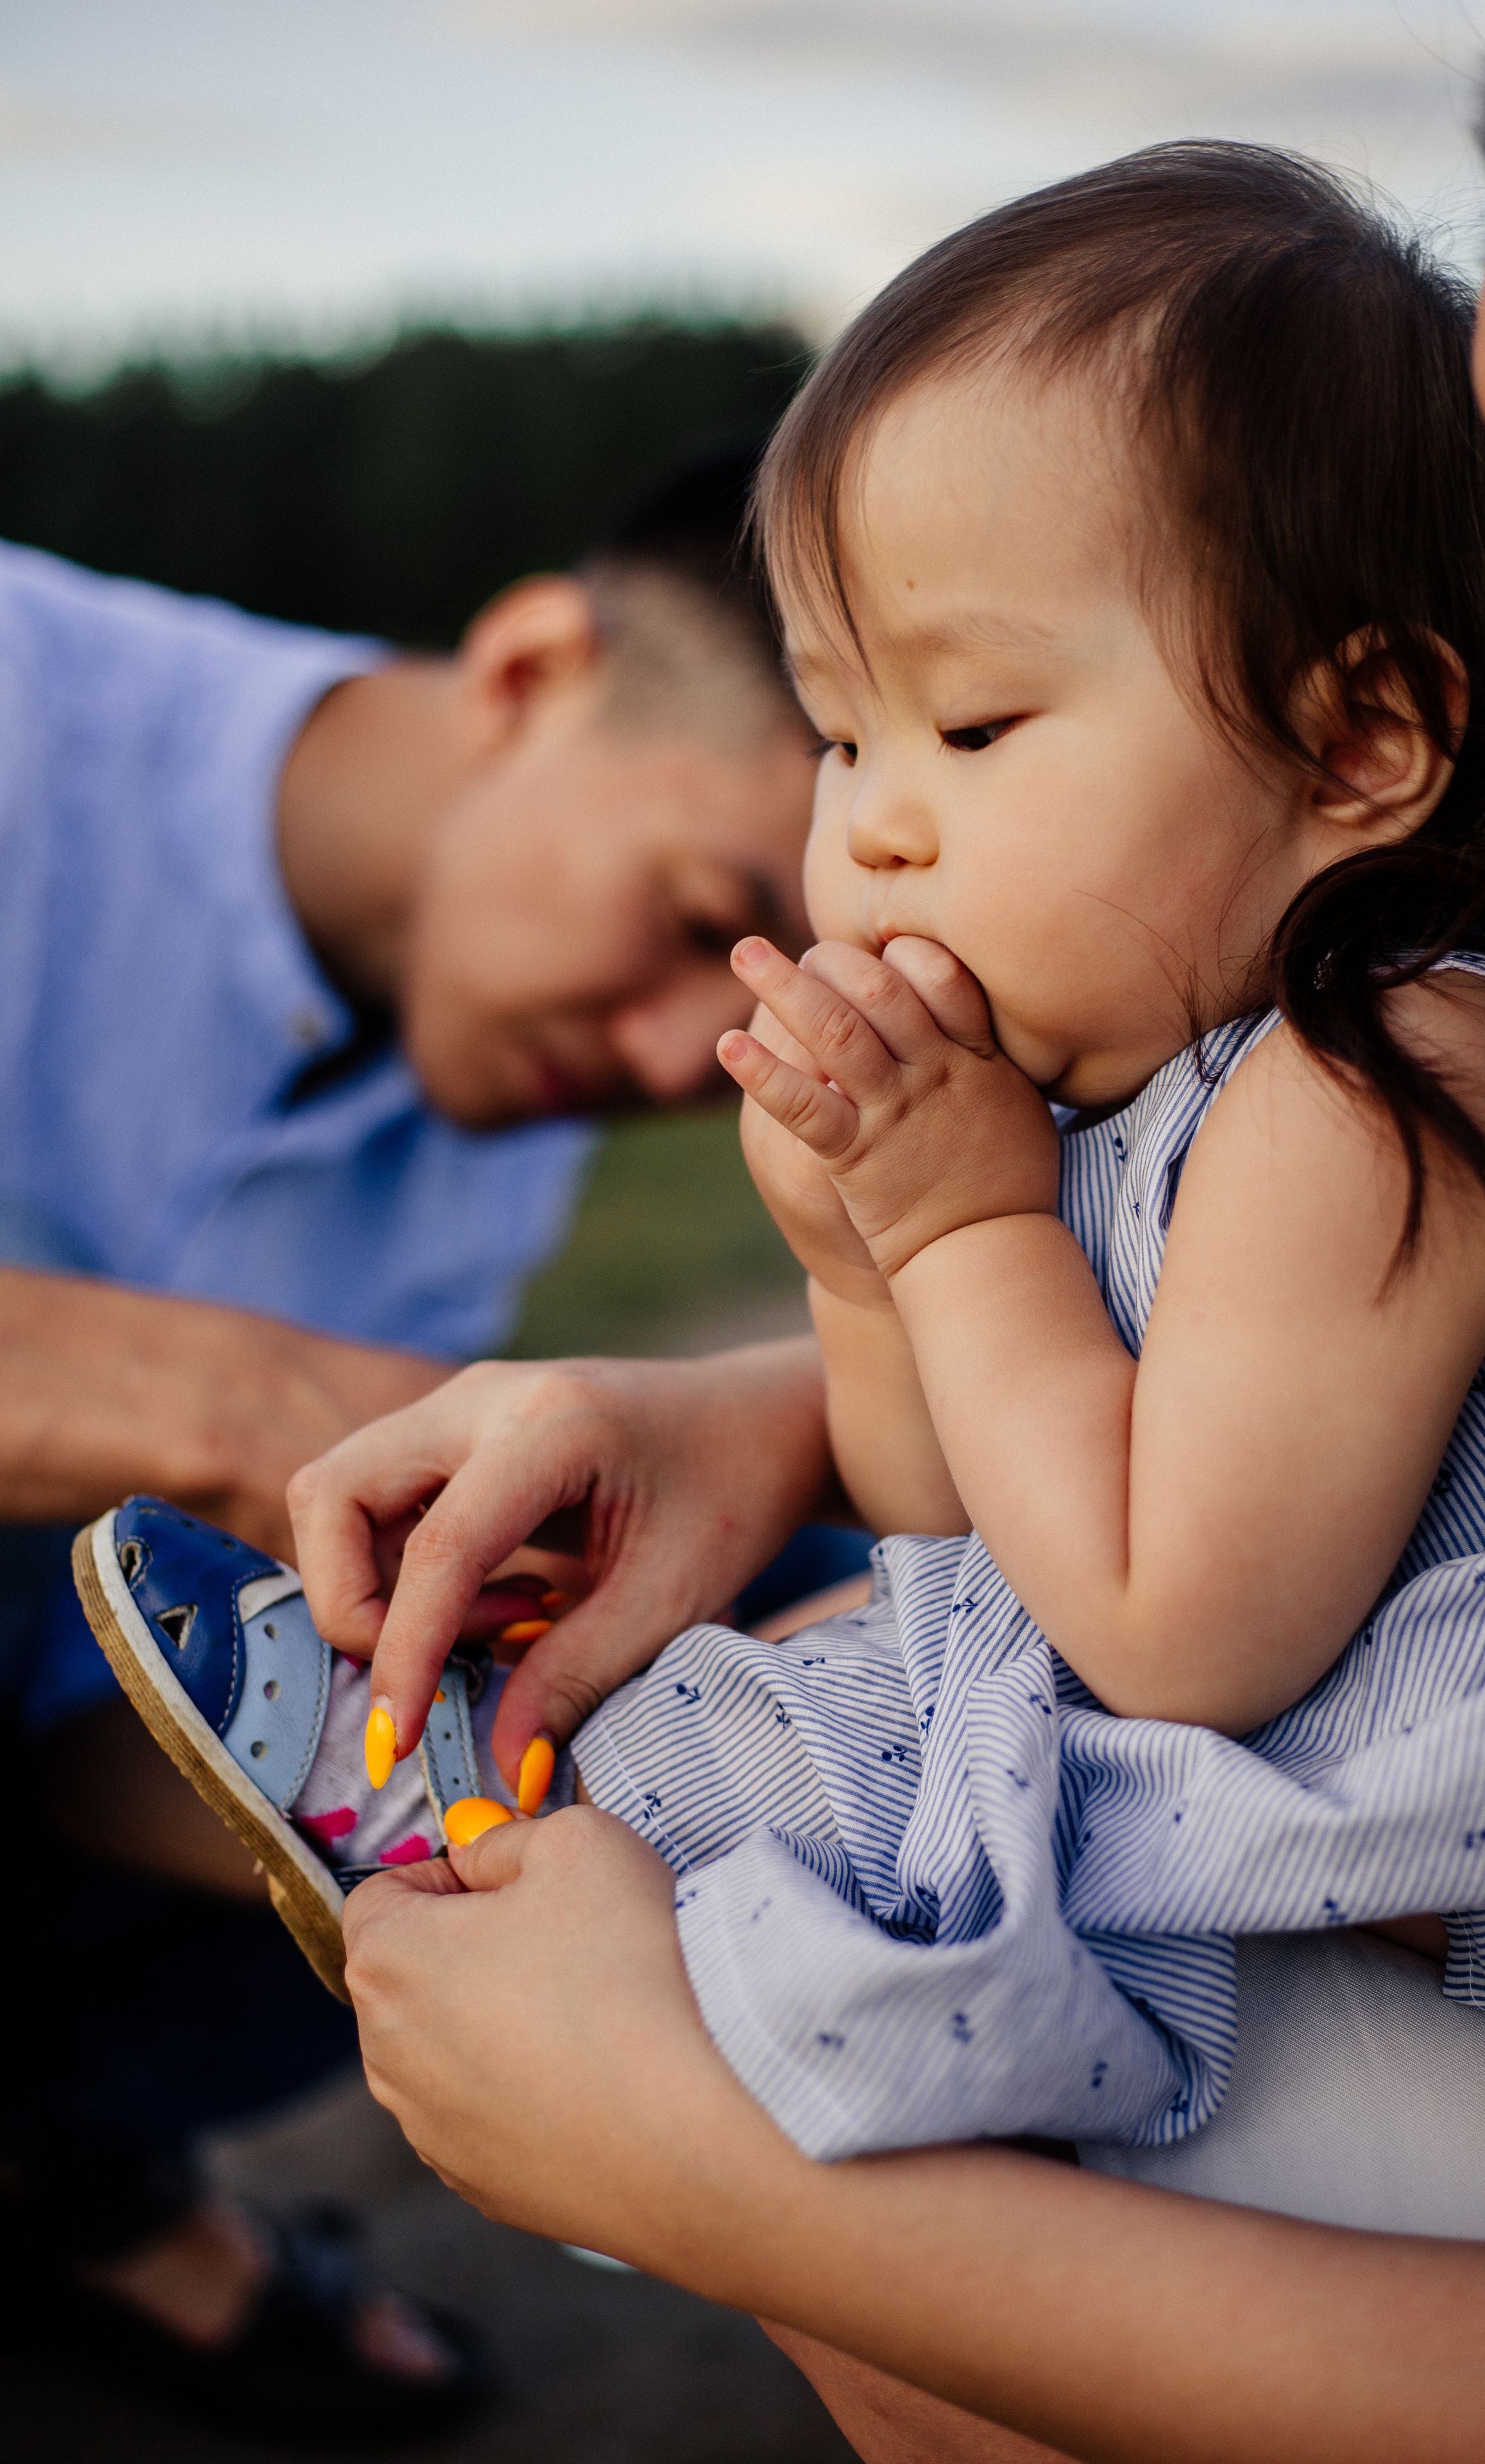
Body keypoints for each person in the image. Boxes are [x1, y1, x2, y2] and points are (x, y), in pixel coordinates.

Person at [296, 0, 1485, 2452]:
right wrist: (855, 1262)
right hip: (1421, 1910)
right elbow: (978, 1552)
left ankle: (528, 1873)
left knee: (844, 2051)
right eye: (841, 734)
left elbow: (1168, 1633)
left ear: (1358, 742)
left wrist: (958, 1242)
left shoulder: (1388, 1082)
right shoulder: (1208, 1064)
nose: (877, 832)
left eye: (977, 730)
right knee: (868, 1787)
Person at [0, 441, 825, 2440]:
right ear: (536, 668)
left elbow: (102, 1717)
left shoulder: (498, 1113)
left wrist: (493, 1789)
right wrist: (225, 1398)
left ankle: (57, 2166)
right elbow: (242, 1437)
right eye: (696, 916)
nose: (664, 1066)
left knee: (713, 1635)